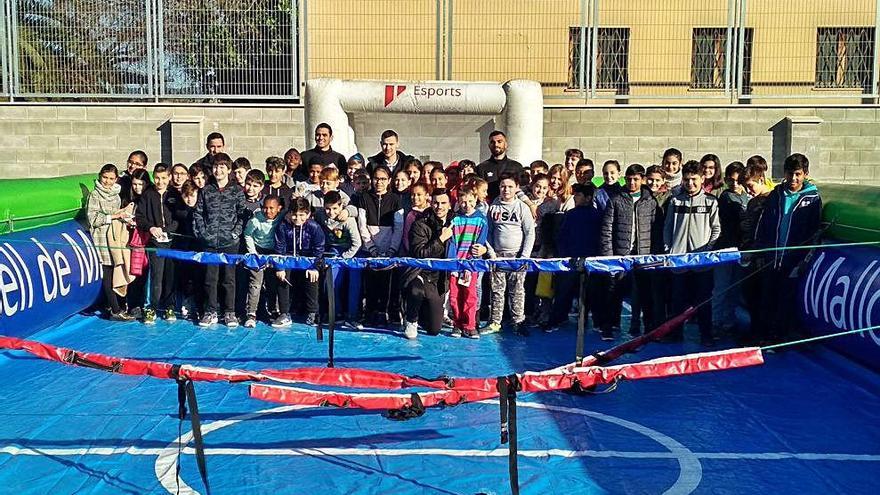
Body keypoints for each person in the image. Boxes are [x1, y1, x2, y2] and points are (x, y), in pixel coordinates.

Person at [752, 153, 821, 345]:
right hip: (771, 257)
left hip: (792, 261)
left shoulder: (812, 199)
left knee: (785, 301)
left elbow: (814, 233)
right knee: (766, 298)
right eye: (790, 174)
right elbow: (763, 224)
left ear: (805, 174)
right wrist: (760, 252)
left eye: (798, 174)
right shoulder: (776, 194)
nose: (793, 179)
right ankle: (762, 335)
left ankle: (779, 338)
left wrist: (803, 261)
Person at [598, 164, 661, 339]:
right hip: (620, 256)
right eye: (629, 179)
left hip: (643, 256)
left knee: (645, 294)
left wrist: (653, 255)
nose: (632, 182)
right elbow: (607, 230)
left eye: (636, 179)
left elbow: (655, 230)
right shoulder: (616, 200)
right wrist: (609, 257)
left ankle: (647, 327)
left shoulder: (651, 202)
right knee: (613, 292)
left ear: (642, 180)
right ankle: (609, 327)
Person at [664, 160, 721, 345]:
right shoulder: (675, 200)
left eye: (694, 179)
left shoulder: (711, 202)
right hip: (679, 261)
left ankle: (706, 335)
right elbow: (667, 228)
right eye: (687, 180)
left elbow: (716, 229)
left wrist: (707, 250)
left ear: (702, 178)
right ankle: (675, 334)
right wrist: (669, 249)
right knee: (677, 301)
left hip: (702, 262)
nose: (690, 183)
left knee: (703, 301)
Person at [193, 153, 248, 328]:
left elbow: (242, 214)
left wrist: (235, 233)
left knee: (229, 279)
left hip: (230, 243)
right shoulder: (206, 190)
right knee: (210, 278)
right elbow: (198, 213)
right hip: (209, 243)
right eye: (216, 167)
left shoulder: (237, 191)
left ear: (229, 169)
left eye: (222, 167)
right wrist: (203, 233)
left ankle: (229, 312)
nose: (218, 170)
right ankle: (210, 311)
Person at [547, 183, 604, 332]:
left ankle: (598, 322)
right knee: (563, 292)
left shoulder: (598, 215)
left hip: (591, 261)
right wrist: (565, 255)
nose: (575, 198)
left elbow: (602, 238)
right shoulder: (571, 214)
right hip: (571, 260)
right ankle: (557, 319)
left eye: (578, 195)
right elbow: (562, 236)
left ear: (588, 198)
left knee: (593, 292)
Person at [485, 175, 535, 335]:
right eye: (503, 186)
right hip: (498, 256)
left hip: (517, 257)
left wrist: (524, 256)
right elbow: (489, 232)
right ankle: (495, 322)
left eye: (510, 186)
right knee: (497, 290)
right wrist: (491, 252)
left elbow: (529, 233)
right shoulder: (493, 207)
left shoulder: (522, 207)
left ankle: (518, 321)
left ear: (516, 188)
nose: (506, 190)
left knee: (518, 290)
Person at [355, 165, 404, 325]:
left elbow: (398, 227)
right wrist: (372, 248)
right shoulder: (364, 198)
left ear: (389, 180)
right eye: (376, 178)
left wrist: (391, 250)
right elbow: (362, 225)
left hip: (390, 250)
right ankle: (369, 312)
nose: (379, 182)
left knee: (387, 285)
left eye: (383, 179)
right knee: (370, 284)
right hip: (369, 250)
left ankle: (385, 312)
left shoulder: (396, 200)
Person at [402, 189, 454, 339]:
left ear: (450, 205)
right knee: (415, 290)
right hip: (419, 272)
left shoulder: (456, 221)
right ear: (431, 203)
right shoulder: (420, 224)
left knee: (434, 329)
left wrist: (482, 247)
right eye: (436, 203)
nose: (439, 206)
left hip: (439, 278)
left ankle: (424, 311)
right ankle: (411, 319)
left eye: (443, 203)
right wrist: (441, 239)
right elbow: (420, 254)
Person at [87, 164, 135, 321]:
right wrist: (113, 216)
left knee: (117, 271)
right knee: (107, 273)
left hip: (115, 237)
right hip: (101, 238)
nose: (107, 181)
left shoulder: (116, 195)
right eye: (105, 177)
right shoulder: (95, 195)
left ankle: (120, 304)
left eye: (111, 178)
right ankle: (115, 310)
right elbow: (93, 219)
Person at [135, 163, 181, 324]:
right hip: (155, 242)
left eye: (163, 178)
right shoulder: (148, 195)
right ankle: (150, 307)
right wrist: (151, 228)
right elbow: (140, 217)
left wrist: (169, 229)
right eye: (157, 178)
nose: (160, 182)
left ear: (169, 178)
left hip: (172, 242)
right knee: (155, 275)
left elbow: (178, 217)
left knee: (170, 275)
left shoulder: (174, 194)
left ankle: (169, 306)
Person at [272, 198, 326, 328]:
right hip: (289, 259)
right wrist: (280, 267)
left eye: (302, 215)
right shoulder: (283, 226)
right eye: (295, 214)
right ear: (290, 213)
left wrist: (315, 267)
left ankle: (313, 313)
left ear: (308, 214)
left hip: (309, 260)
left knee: (312, 278)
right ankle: (284, 313)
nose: (297, 218)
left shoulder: (314, 227)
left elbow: (319, 248)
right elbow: (280, 248)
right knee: (282, 278)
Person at [447, 187, 489, 338]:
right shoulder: (455, 219)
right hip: (456, 264)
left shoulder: (481, 219)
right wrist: (452, 263)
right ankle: (457, 324)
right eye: (463, 202)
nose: (467, 205)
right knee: (454, 296)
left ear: (476, 200)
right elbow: (451, 242)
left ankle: (470, 325)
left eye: (470, 201)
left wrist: (473, 261)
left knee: (470, 295)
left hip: (471, 264)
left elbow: (480, 242)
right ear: (458, 202)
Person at [713, 161, 749, 336]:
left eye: (737, 180)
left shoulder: (747, 197)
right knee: (721, 288)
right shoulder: (725, 198)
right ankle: (715, 322)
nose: (734, 184)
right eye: (730, 180)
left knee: (734, 288)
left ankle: (728, 321)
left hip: (741, 249)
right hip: (726, 248)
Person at [319, 191, 362, 325]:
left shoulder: (348, 220)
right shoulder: (321, 216)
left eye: (335, 208)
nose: (331, 212)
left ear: (341, 206)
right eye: (328, 208)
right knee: (331, 282)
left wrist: (344, 257)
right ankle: (336, 312)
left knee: (354, 283)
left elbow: (357, 244)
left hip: (351, 253)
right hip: (333, 252)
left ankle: (352, 315)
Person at [241, 195, 283, 328]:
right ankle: (251, 313)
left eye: (272, 208)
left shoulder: (282, 218)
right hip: (258, 252)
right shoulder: (255, 220)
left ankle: (273, 310)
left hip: (273, 253)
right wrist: (253, 253)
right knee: (256, 283)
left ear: (279, 209)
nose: (268, 211)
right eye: (265, 208)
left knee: (272, 283)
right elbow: (247, 234)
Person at [125, 168, 152, 319]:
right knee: (134, 272)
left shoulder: (149, 198)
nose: (137, 188)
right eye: (135, 184)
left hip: (147, 239)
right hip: (134, 242)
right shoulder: (130, 201)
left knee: (146, 273)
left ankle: (144, 303)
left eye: (140, 184)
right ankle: (134, 304)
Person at [478, 131, 523, 200]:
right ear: (489, 145)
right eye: (492, 142)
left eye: (499, 141)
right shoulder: (481, 168)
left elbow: (522, 189)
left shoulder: (516, 166)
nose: (496, 144)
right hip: (489, 206)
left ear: (505, 144)